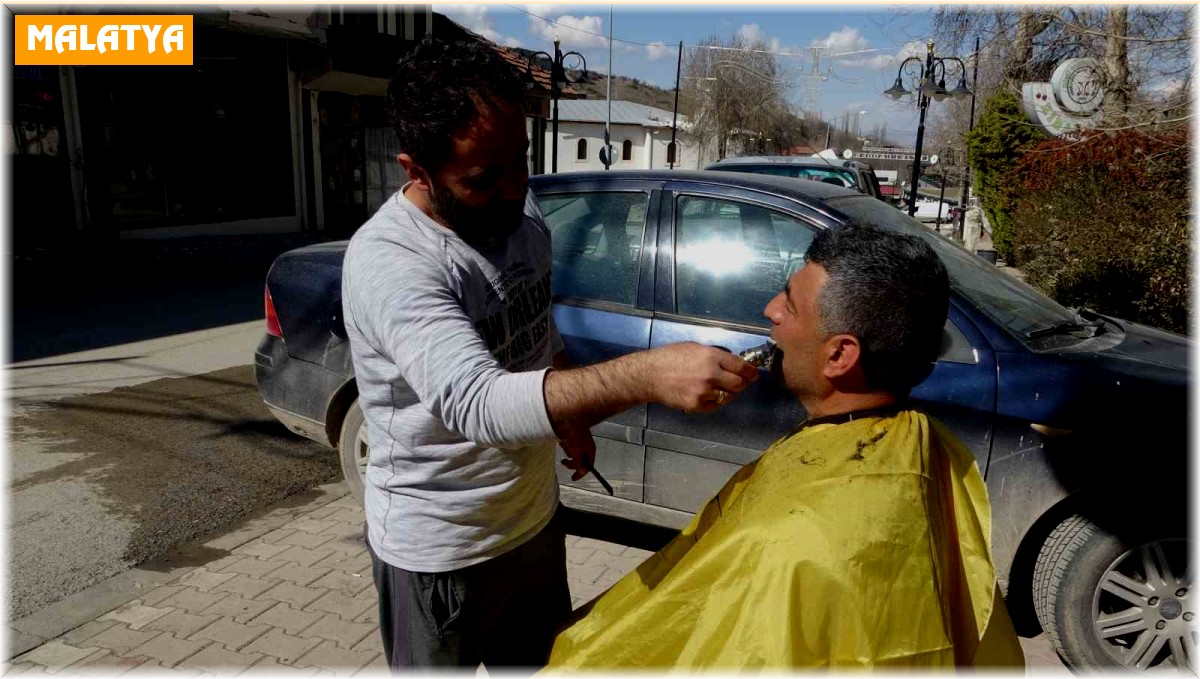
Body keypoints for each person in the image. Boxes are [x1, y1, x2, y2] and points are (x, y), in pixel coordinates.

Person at [340, 36, 758, 670]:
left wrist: (571, 415)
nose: (514, 189)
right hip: (439, 551)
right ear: (416, 170)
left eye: (521, 161)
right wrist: (646, 373)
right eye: (483, 179)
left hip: (531, 525)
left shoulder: (520, 212)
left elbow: (537, 330)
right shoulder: (392, 261)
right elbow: (475, 401)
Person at [546, 224, 1025, 669]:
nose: (770, 309)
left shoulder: (791, 542)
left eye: (790, 305)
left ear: (839, 355)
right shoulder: (925, 443)